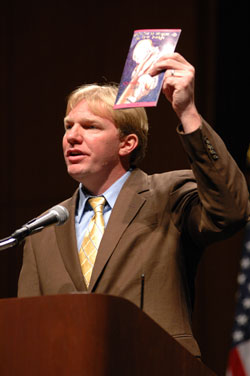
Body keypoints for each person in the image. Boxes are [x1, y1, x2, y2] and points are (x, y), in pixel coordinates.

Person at [18, 52, 250, 357]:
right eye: (67, 126)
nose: (72, 137)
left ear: (127, 143)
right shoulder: (41, 231)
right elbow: (26, 332)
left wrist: (188, 112)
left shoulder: (168, 196)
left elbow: (232, 210)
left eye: (90, 127)